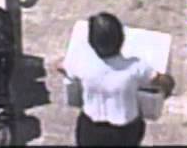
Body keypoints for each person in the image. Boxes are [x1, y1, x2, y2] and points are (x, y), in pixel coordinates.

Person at [58, 12, 175, 147]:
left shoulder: (81, 63)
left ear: (91, 42)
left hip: (90, 129)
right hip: (125, 132)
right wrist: (168, 89)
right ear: (121, 39)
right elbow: (163, 82)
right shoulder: (135, 67)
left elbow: (61, 66)